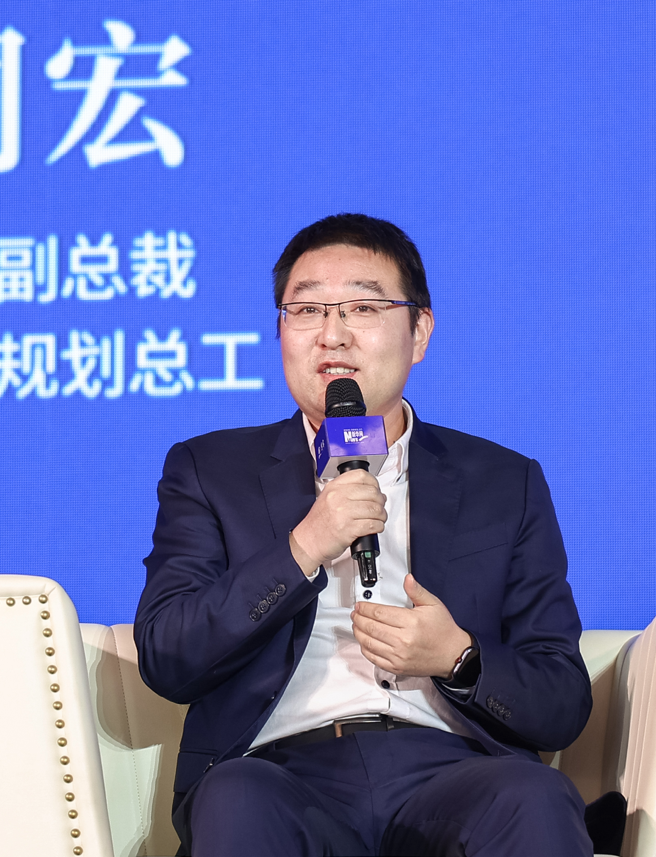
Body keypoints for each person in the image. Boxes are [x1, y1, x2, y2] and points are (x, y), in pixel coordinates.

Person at [133, 213, 594, 856]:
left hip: (457, 773)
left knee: (535, 796)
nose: (332, 335)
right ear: (280, 331)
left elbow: (561, 699)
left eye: (363, 307)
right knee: (235, 796)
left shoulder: (502, 481)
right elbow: (167, 656)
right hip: (278, 774)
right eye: (306, 310)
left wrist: (458, 658)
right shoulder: (209, 470)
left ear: (419, 331)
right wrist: (303, 548)